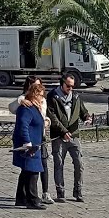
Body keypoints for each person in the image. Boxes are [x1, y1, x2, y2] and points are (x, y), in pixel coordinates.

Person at [8, 76, 54, 204]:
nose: (42, 97)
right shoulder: (26, 107)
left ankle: (21, 198)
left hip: (37, 142)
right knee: (33, 171)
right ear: (33, 95)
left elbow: (42, 118)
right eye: (39, 95)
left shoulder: (36, 107)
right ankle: (33, 199)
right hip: (30, 144)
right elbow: (23, 126)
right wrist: (27, 143)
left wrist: (46, 122)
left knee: (26, 171)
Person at [47, 74, 90, 202]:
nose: (70, 88)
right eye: (68, 86)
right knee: (59, 164)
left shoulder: (76, 96)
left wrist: (87, 118)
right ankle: (60, 193)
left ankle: (78, 192)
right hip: (59, 137)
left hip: (74, 135)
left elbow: (83, 111)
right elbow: (52, 117)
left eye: (72, 86)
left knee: (79, 164)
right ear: (62, 84)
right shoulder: (52, 96)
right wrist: (63, 131)